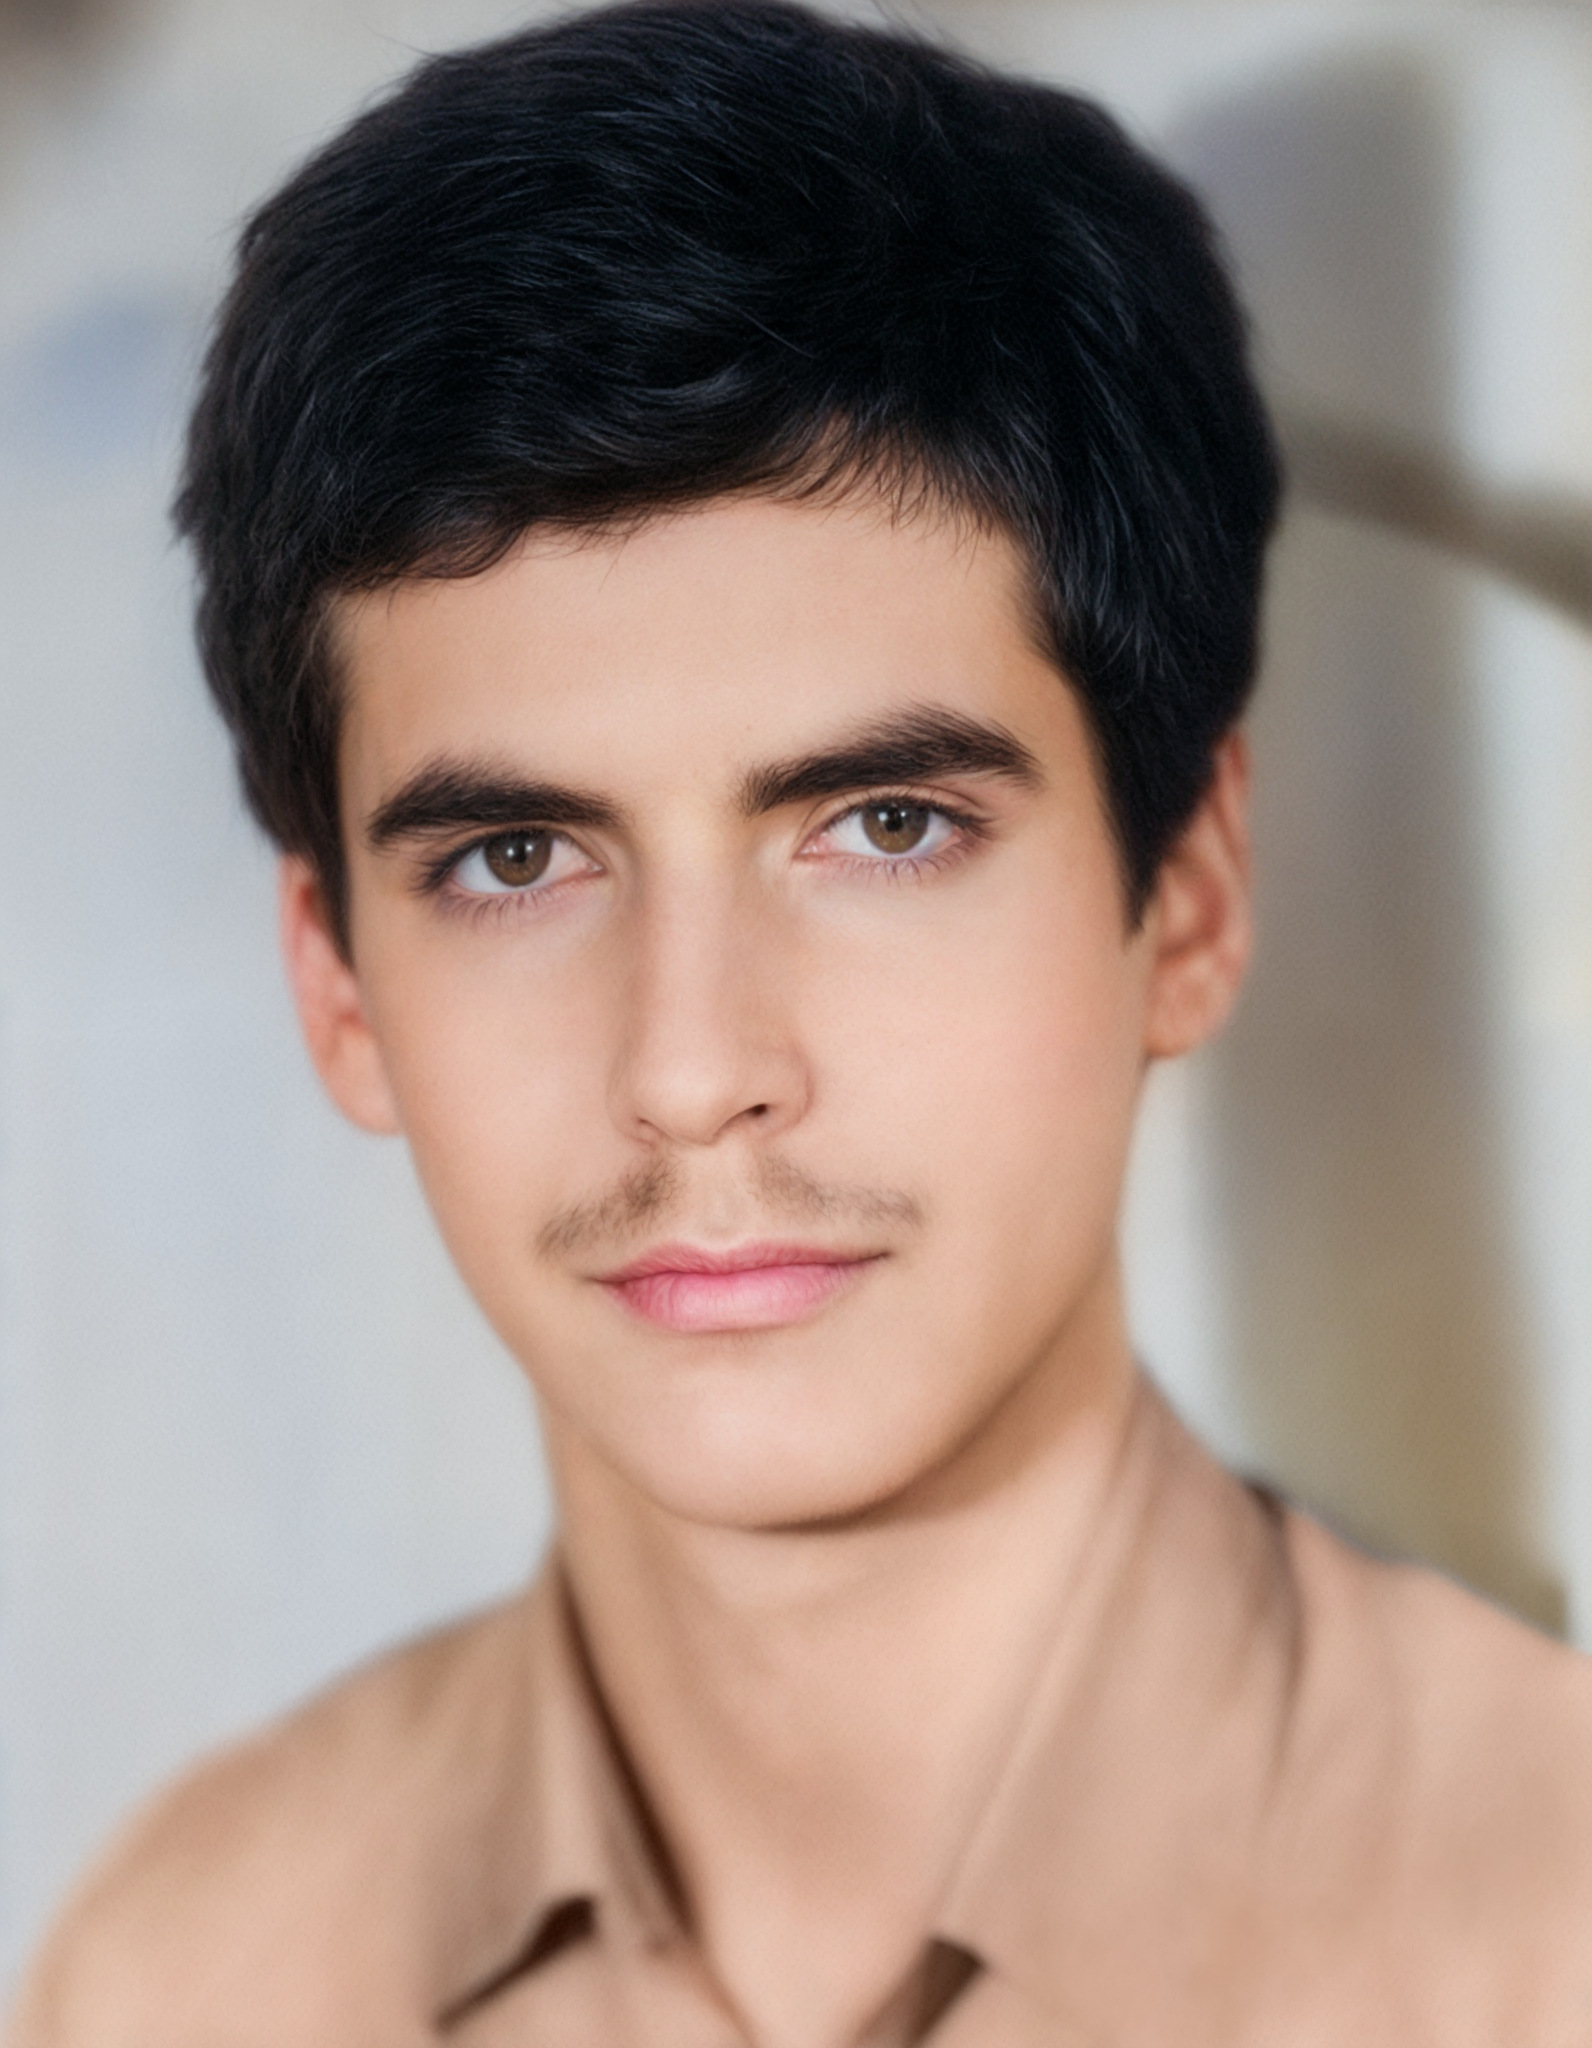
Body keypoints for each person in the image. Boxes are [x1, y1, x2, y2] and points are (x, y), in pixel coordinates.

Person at [8, 2, 1591, 2042]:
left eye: (886, 825)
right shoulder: (187, 1976)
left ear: (1187, 893)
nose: (691, 1071)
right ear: (336, 980)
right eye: (514, 857)